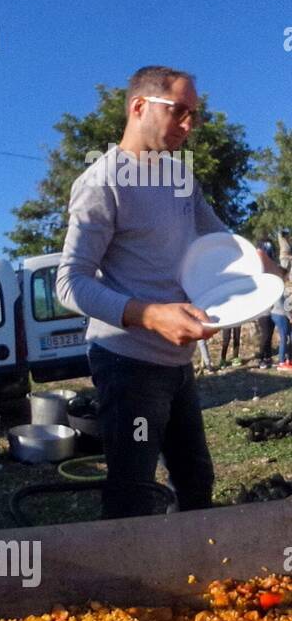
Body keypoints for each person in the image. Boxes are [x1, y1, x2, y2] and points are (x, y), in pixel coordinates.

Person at [58, 66, 276, 518]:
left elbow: (217, 238)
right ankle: (125, 585)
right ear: (139, 107)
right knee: (133, 492)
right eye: (179, 112)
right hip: (127, 362)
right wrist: (152, 315)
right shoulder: (101, 183)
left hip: (177, 365)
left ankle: (189, 574)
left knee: (196, 481)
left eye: (193, 115)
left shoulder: (180, 177)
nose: (189, 125)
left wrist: (261, 261)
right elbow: (70, 282)